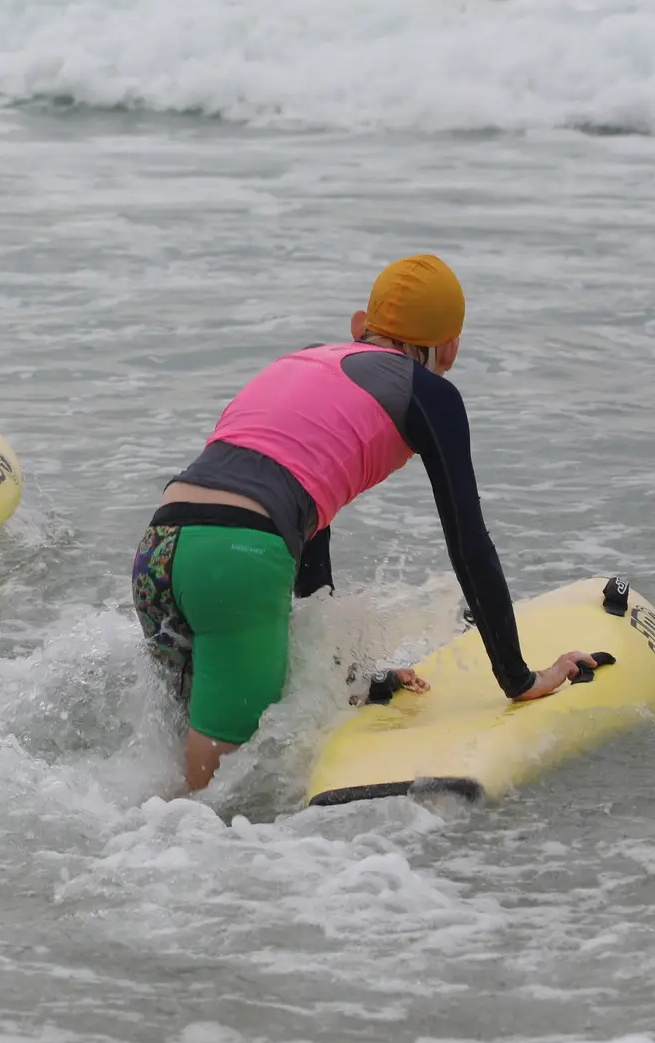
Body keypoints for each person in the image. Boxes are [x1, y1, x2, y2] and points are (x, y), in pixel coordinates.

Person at [131, 255, 596, 792]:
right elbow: (469, 545)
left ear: (359, 326)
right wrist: (521, 679)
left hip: (160, 550)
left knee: (180, 772)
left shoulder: (302, 364)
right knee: (209, 809)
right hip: (238, 560)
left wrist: (346, 682)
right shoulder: (428, 392)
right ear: (449, 349)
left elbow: (310, 546)